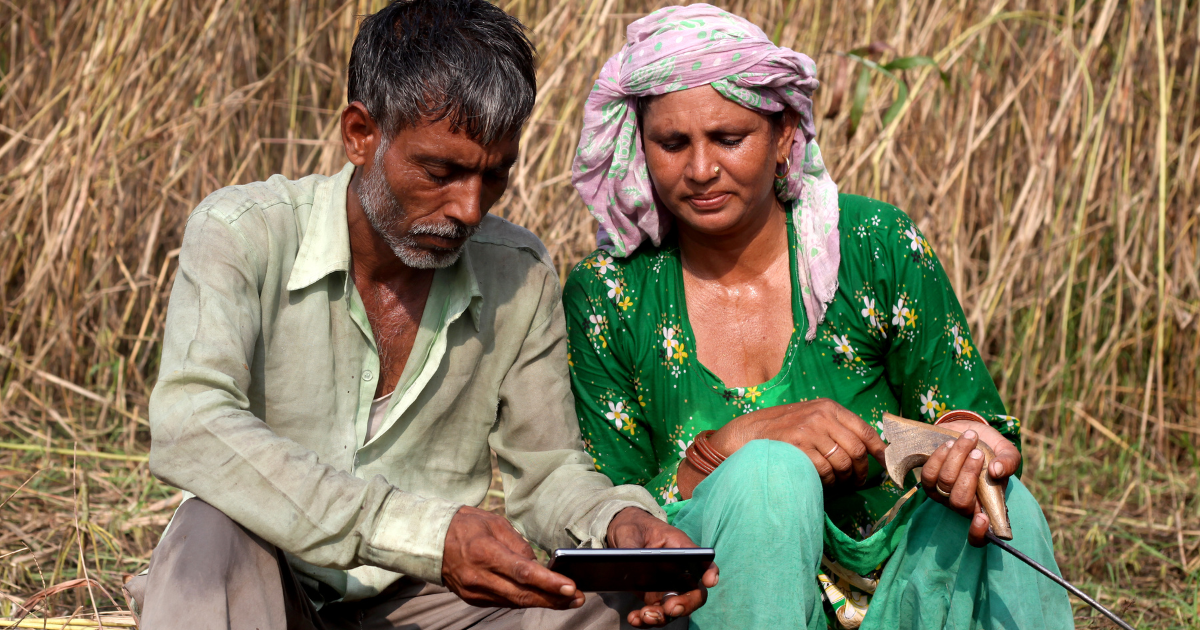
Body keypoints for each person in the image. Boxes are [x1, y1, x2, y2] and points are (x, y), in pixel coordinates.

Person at [124, 2, 717, 629]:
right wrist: (421, 533)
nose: (468, 208)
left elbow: (547, 472)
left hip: (422, 605)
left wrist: (616, 523)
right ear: (360, 134)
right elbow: (192, 421)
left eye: (494, 177)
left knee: (620, 608)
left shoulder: (518, 273)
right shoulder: (242, 235)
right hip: (263, 586)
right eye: (440, 171)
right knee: (210, 526)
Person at [563, 5, 1073, 629]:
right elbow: (618, 512)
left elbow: (975, 420)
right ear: (641, 149)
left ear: (783, 137)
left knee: (1002, 503)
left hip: (900, 591)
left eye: (728, 139)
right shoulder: (609, 293)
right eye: (672, 144)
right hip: (716, 603)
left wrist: (965, 446)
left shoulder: (874, 246)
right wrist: (732, 447)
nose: (699, 170)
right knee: (771, 476)